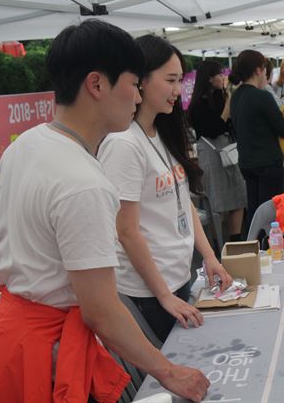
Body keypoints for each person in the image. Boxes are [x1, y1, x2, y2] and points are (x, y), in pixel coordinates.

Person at [0, 20, 209, 402]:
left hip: (14, 336)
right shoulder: (83, 182)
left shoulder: (24, 146)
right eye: (132, 84)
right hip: (49, 354)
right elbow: (100, 310)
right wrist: (169, 372)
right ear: (96, 85)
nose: (138, 98)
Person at [99, 35, 233, 343]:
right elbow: (127, 231)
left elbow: (182, 201)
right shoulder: (123, 144)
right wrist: (162, 295)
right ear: (141, 81)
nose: (178, 90)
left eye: (180, 81)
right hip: (148, 293)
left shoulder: (161, 132)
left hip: (177, 277)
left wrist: (210, 256)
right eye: (171, 80)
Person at [229, 50, 284, 229]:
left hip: (247, 162)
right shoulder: (262, 96)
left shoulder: (236, 96)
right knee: (272, 215)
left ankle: (255, 249)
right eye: (265, 69)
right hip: (267, 162)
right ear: (258, 70)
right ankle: (270, 252)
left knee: (255, 213)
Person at [188, 60, 247, 242]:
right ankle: (218, 241)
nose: (223, 78)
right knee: (218, 198)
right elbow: (213, 129)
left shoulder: (221, 96)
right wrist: (228, 105)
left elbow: (230, 125)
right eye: (219, 74)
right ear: (209, 78)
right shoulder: (197, 105)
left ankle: (236, 239)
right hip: (212, 153)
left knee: (238, 193)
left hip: (229, 150)